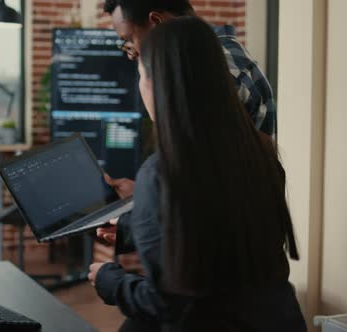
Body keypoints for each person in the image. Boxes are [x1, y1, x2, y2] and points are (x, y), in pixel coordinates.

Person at [88, 17, 306, 331]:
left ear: (156, 82)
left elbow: (168, 303)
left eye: (140, 73)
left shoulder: (161, 172)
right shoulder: (259, 151)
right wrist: (135, 228)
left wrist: (112, 282)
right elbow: (217, 229)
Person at [103, 0, 278, 198]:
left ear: (157, 22)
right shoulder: (215, 55)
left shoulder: (211, 71)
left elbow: (202, 194)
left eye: (129, 40)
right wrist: (146, 194)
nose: (132, 55)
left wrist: (147, 197)